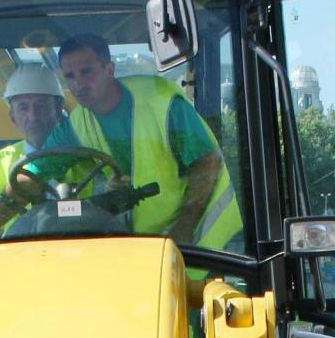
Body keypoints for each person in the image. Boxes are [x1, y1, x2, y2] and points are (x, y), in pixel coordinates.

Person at [57, 35, 242, 250]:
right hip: (145, 246)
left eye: (86, 72)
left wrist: (184, 226)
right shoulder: (75, 123)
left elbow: (208, 161)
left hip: (206, 242)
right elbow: (36, 170)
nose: (78, 84)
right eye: (70, 76)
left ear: (109, 69)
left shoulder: (161, 103)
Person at [0, 64, 77, 242]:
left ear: (58, 110)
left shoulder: (84, 156)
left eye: (41, 106)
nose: (33, 116)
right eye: (23, 108)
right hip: (15, 261)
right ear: (12, 116)